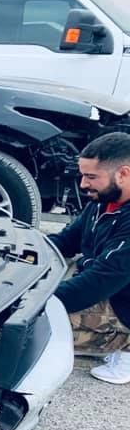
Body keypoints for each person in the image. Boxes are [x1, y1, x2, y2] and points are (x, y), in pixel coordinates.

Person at [48, 132, 130, 384]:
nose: (83, 184)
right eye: (83, 175)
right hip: (103, 284)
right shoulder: (102, 201)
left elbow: (97, 283)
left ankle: (125, 346)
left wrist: (35, 301)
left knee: (29, 327)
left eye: (91, 177)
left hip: (122, 304)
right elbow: (64, 242)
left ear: (123, 174)